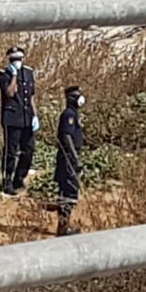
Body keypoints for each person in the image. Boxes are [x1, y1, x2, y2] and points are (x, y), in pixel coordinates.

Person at [0, 46, 39, 196]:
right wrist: (14, 75)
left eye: (19, 59)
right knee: (11, 151)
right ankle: (7, 180)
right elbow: (9, 92)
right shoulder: (4, 74)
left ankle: (19, 178)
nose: (17, 62)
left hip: (27, 117)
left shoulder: (28, 72)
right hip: (12, 119)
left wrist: (35, 115)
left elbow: (32, 96)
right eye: (13, 60)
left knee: (28, 150)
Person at [55, 86, 85, 237]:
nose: (80, 98)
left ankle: (63, 226)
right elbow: (66, 137)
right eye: (77, 95)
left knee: (68, 191)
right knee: (68, 191)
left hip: (71, 157)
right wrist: (75, 158)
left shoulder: (74, 113)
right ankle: (63, 227)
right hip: (68, 158)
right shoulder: (68, 115)